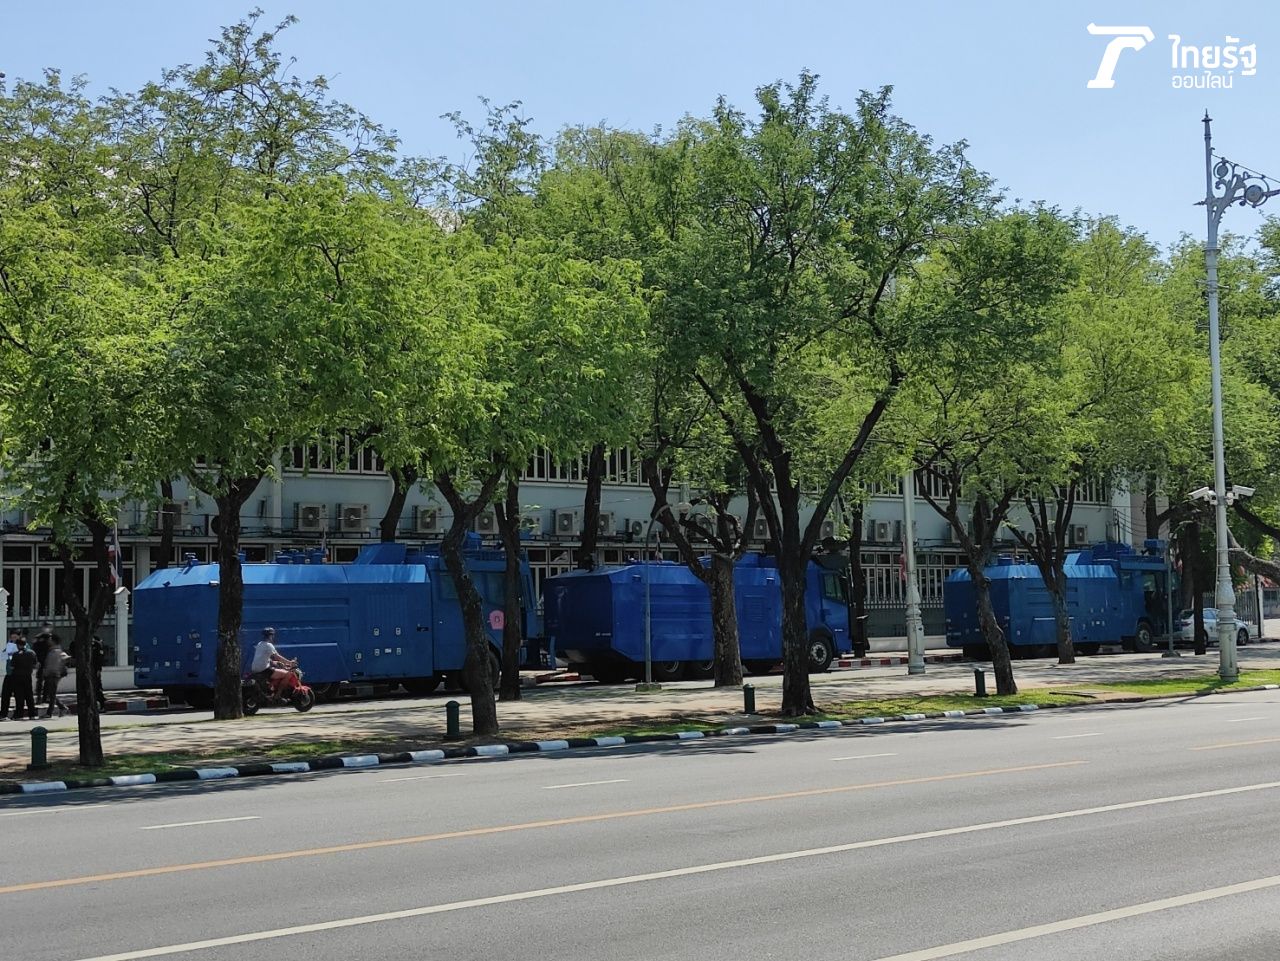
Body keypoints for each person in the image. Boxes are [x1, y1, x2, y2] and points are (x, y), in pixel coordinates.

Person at [250, 627, 295, 696]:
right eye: (273, 635)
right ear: (271, 636)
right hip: (264, 670)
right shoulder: (269, 645)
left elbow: (263, 657)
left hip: (254, 669)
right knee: (288, 674)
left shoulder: (260, 644)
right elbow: (277, 656)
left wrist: (275, 662)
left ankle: (271, 688)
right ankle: (278, 695)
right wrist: (290, 663)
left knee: (275, 670)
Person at [2, 637, 37, 720]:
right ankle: (32, 714)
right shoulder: (32, 652)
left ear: (18, 645)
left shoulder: (16, 654)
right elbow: (35, 664)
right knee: (29, 695)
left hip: (17, 677)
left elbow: (12, 666)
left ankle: (19, 715)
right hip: (27, 676)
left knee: (19, 696)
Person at [42, 636, 69, 718]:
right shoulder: (52, 651)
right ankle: (61, 707)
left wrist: (50, 672)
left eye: (50, 640)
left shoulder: (57, 651)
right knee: (50, 694)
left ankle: (50, 712)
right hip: (50, 674)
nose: (48, 641)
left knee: (52, 694)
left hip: (53, 674)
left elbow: (56, 664)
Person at [32, 625, 54, 702]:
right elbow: (34, 650)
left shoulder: (51, 637)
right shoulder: (38, 638)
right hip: (41, 662)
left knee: (48, 681)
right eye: (46, 627)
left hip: (49, 663)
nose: (47, 629)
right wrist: (36, 661)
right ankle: (39, 697)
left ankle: (45, 697)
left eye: (49, 627)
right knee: (40, 680)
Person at [0, 629, 18, 719]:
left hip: (18, 675)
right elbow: (2, 656)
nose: (13, 639)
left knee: (19, 696)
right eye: (12, 637)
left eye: (15, 637)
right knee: (5, 695)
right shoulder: (10, 645)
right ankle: (3, 714)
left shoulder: (23, 645)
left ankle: (18, 714)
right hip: (9, 674)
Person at [90, 635, 108, 711]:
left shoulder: (97, 645)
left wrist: (98, 669)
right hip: (89, 669)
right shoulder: (86, 644)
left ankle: (102, 705)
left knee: (97, 687)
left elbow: (100, 659)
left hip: (95, 669)